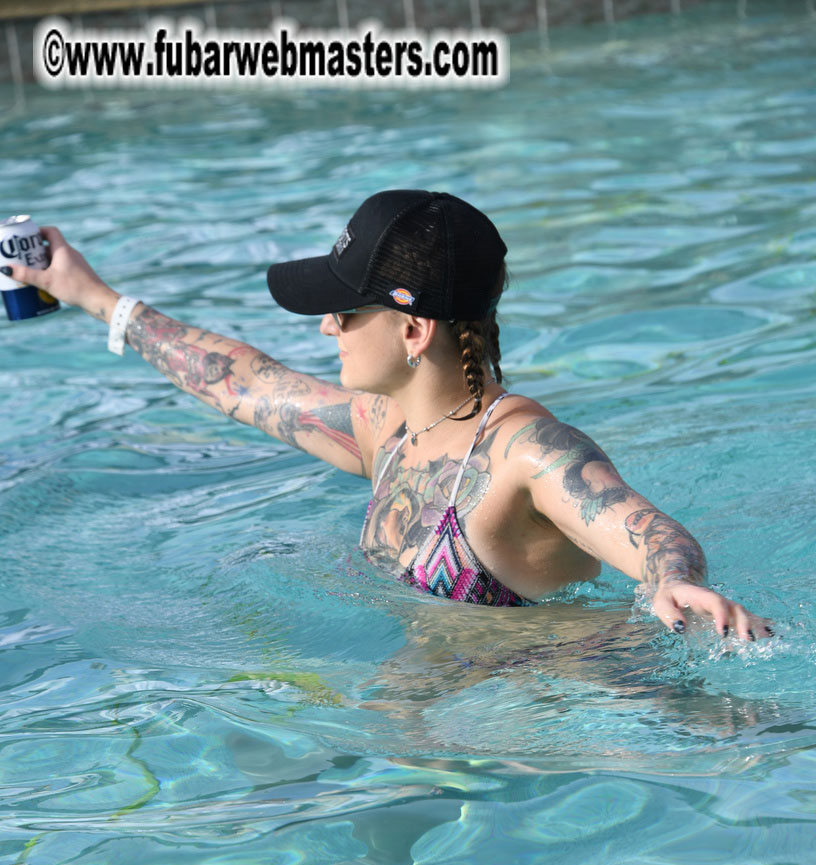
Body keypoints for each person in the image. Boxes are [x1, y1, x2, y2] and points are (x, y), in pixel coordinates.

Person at [2, 189, 772, 642]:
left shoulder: (523, 453)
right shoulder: (387, 427)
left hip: (565, 723)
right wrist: (94, 296)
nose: (325, 328)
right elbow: (243, 382)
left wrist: (672, 582)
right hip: (440, 722)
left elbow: (649, 530)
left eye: (343, 310)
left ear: (412, 330)